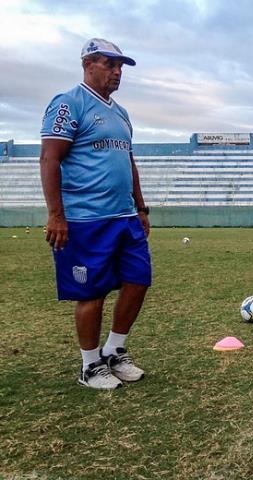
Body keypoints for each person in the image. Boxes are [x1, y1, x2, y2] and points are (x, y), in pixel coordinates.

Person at [40, 38, 151, 390]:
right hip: (85, 218)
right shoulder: (68, 103)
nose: (117, 72)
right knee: (92, 293)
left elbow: (128, 161)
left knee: (138, 281)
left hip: (125, 217)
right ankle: (90, 366)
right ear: (88, 64)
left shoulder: (120, 112)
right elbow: (50, 159)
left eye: (120, 67)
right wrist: (56, 215)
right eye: (110, 64)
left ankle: (115, 350)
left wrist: (141, 206)